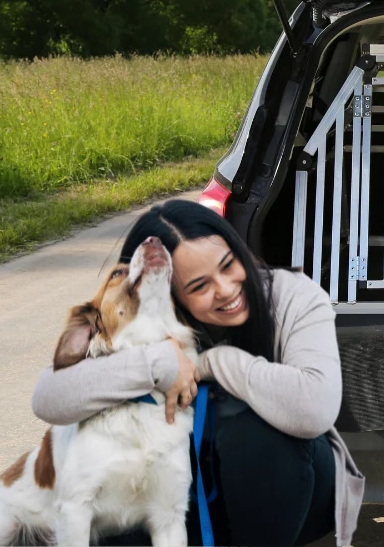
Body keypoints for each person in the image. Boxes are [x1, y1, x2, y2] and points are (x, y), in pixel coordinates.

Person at [30, 200, 364, 546]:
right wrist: (158, 363)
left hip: (292, 490)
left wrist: (213, 363)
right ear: (169, 291)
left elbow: (315, 408)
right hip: (175, 504)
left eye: (228, 265)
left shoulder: (292, 294)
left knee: (250, 432)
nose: (226, 289)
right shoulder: (148, 323)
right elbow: (48, 398)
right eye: (199, 287)